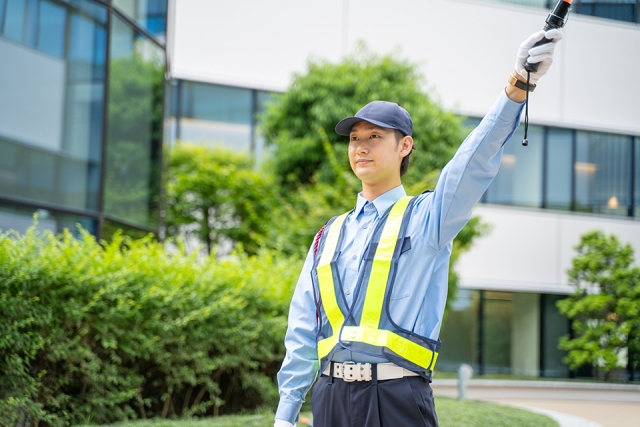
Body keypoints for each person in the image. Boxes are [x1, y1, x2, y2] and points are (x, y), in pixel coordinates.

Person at [274, 29, 564, 427]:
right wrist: (286, 413)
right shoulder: (328, 235)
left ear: (404, 146)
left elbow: (471, 163)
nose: (360, 147)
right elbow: (303, 327)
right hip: (330, 399)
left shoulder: (428, 217)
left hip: (398, 400)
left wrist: (517, 85)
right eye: (355, 138)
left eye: (375, 137)